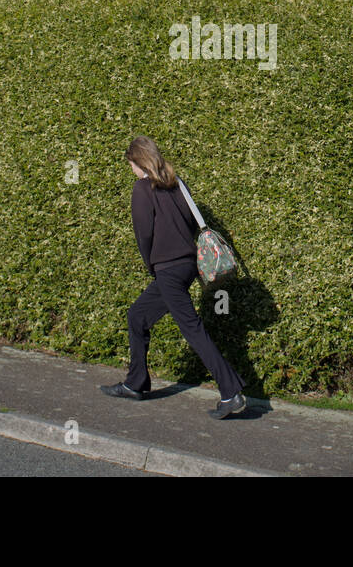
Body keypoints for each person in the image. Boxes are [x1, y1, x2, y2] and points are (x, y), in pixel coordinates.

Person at [99, 136, 247, 420]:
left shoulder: (142, 189)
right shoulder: (178, 184)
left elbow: (143, 232)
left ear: (138, 161)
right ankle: (135, 383)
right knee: (137, 316)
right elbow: (193, 222)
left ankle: (231, 392)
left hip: (167, 268)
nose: (130, 169)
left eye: (130, 163)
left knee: (192, 328)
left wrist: (151, 264)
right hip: (188, 265)